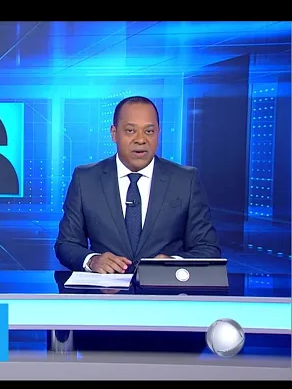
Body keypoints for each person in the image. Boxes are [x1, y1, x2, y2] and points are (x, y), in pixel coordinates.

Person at [54, 95, 221, 274]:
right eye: (130, 131)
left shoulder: (185, 180)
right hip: (106, 289)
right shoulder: (86, 179)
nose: (140, 139)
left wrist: (173, 263)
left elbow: (208, 249)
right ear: (114, 133)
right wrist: (93, 260)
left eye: (149, 131)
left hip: (163, 289)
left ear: (158, 133)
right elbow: (66, 244)